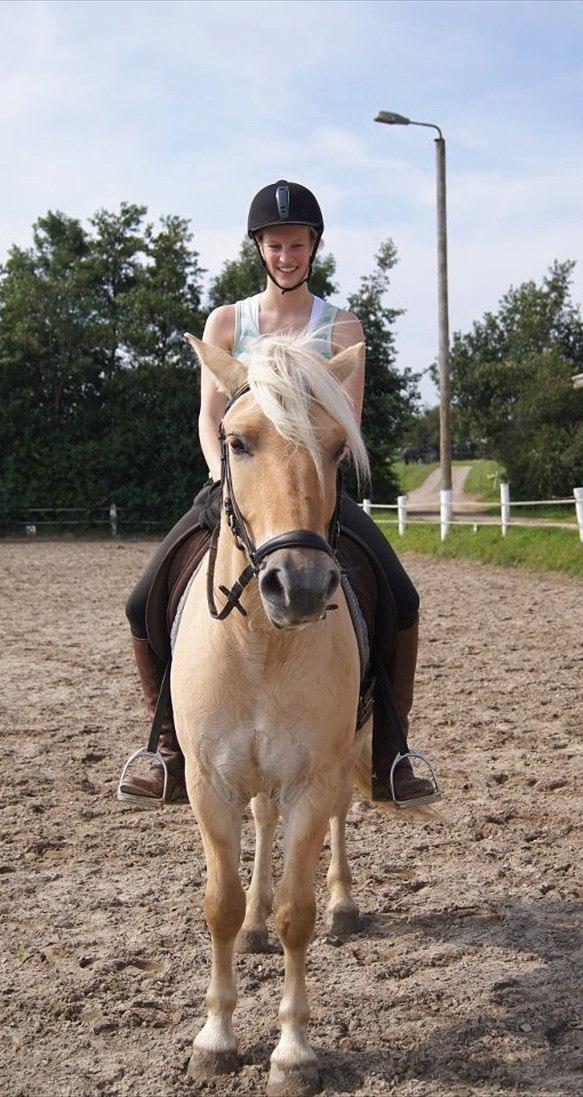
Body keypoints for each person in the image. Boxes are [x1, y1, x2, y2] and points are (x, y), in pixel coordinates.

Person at [119, 180, 439, 808]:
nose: (286, 255)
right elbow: (211, 417)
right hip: (235, 486)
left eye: (296, 244)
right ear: (259, 249)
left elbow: (345, 421)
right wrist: (219, 471)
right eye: (275, 244)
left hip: (314, 491)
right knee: (141, 601)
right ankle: (166, 751)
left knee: (401, 597)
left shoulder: (340, 325)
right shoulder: (228, 321)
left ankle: (390, 754)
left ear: (313, 246)